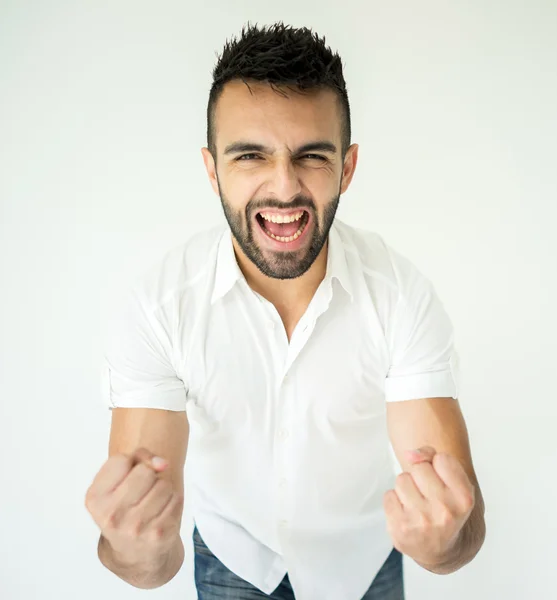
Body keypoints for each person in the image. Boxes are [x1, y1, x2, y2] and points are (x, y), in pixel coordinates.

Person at [85, 21, 486, 600]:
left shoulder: (399, 295)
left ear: (347, 168)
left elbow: (464, 530)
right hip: (232, 558)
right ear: (212, 168)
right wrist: (135, 550)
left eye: (312, 157)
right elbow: (149, 560)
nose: (284, 188)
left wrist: (444, 544)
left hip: (364, 562)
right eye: (250, 155)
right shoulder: (160, 307)